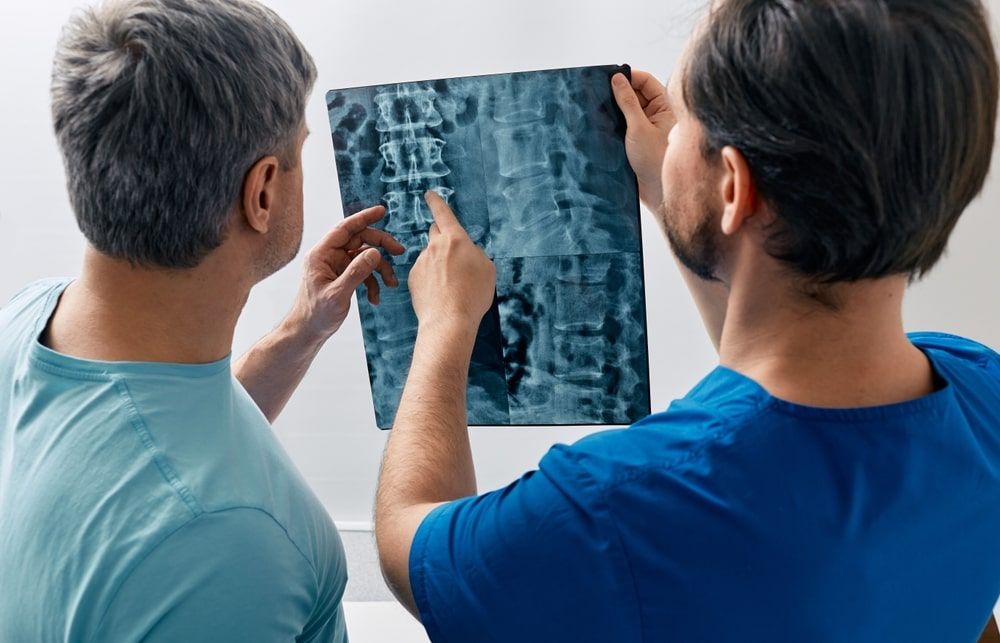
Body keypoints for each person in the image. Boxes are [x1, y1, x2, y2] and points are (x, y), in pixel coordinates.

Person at [374, 0, 1000, 641]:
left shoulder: (614, 504)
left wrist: (446, 326)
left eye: (687, 131)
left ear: (734, 187)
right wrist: (675, 194)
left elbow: (406, 543)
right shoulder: (984, 393)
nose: (670, 145)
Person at [0, 0, 403, 640]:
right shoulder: (227, 540)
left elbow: (148, 440)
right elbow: (180, 494)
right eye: (301, 150)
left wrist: (300, 333)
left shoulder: (26, 321)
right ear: (262, 191)